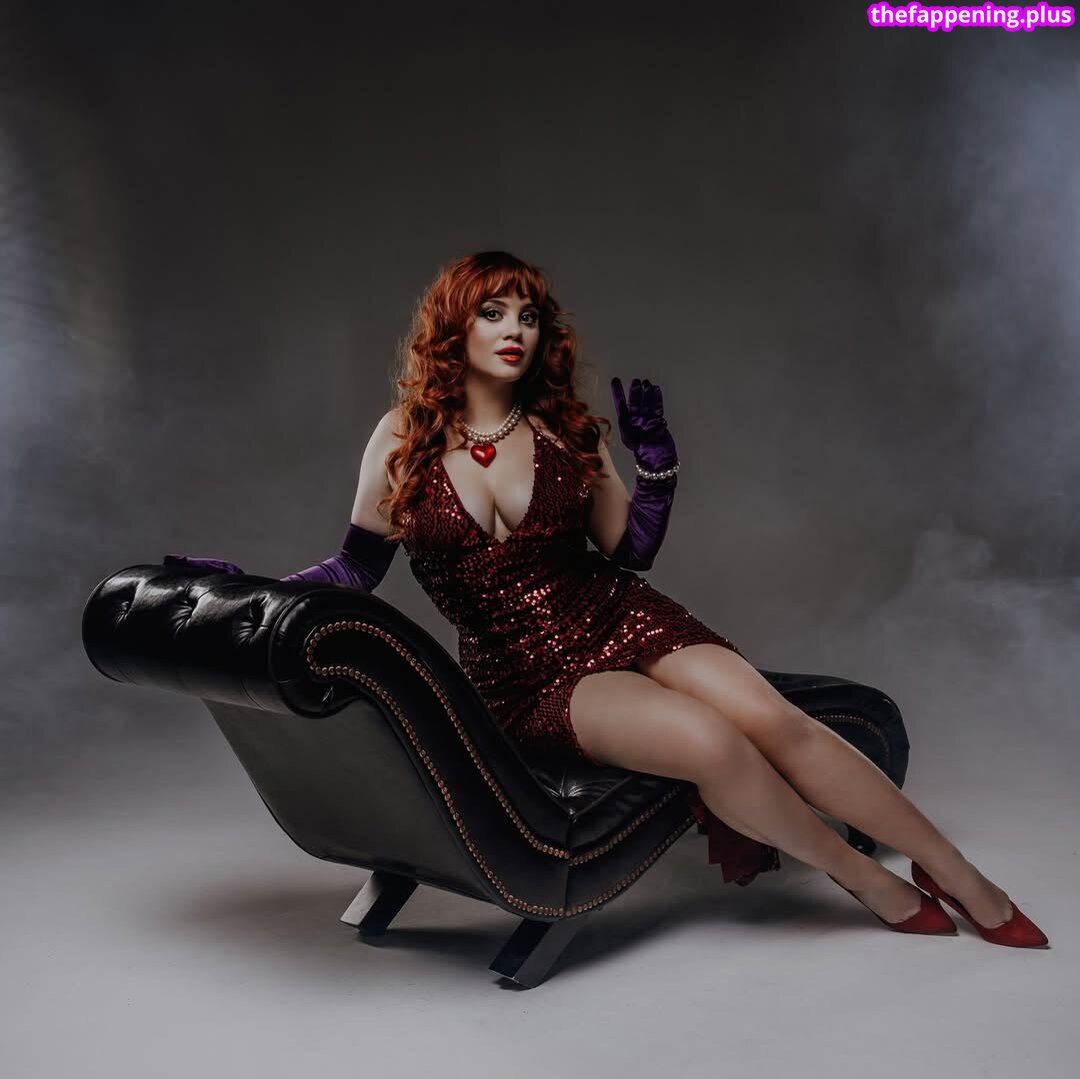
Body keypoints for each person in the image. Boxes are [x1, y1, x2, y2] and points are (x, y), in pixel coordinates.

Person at [167, 250, 1047, 947]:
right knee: (712, 744)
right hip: (529, 677)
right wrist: (253, 588)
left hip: (622, 615)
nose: (515, 330)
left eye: (529, 315)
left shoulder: (562, 429)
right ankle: (862, 876)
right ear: (454, 323)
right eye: (493, 311)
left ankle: (952, 868)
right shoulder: (402, 438)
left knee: (775, 721)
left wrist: (657, 465)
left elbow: (633, 551)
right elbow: (356, 567)